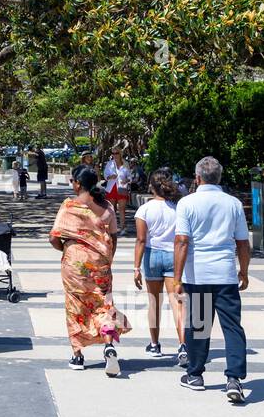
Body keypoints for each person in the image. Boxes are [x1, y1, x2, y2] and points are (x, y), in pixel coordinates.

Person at [170, 156, 250, 403]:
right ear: (220, 177)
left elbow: (182, 241)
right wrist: (243, 271)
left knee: (199, 325)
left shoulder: (187, 203)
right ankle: (234, 378)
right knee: (232, 327)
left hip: (198, 273)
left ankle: (195, 374)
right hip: (225, 273)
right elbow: (242, 242)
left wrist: (176, 277)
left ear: (197, 177)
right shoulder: (233, 203)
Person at [49, 166, 131, 374]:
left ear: (77, 183)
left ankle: (78, 356)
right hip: (100, 264)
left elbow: (54, 237)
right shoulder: (107, 207)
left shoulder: (69, 206)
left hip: (75, 266)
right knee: (104, 304)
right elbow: (113, 237)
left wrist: (68, 249)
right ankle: (109, 345)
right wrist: (107, 260)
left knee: (76, 307)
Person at [133, 168, 187, 365]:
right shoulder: (178, 207)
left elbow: (140, 240)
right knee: (177, 303)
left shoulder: (144, 210)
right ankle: (183, 346)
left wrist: (136, 267)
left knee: (154, 301)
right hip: (174, 256)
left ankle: (155, 344)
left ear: (151, 187)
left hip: (151, 255)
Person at [104, 147, 132, 234]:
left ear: (120, 154)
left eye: (117, 153)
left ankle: (123, 228)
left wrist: (126, 180)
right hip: (111, 188)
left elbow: (130, 177)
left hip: (122, 188)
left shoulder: (125, 164)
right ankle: (112, 228)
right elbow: (105, 175)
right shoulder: (109, 164)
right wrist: (110, 177)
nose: (115, 155)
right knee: (112, 209)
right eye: (113, 153)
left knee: (122, 209)